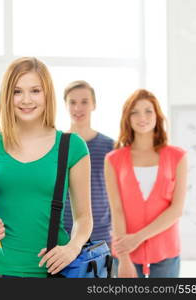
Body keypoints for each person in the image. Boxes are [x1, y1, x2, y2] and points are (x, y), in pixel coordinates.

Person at [0, 57, 93, 278]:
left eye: (35, 91)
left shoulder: (72, 146)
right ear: (7, 96)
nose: (26, 100)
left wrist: (73, 248)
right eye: (17, 91)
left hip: (53, 271)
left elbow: (84, 217)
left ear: (47, 95)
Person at [104, 89, 187, 278]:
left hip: (166, 253)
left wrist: (137, 239)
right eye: (135, 112)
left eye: (148, 111)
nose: (142, 117)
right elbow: (116, 210)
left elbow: (176, 210)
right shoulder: (113, 159)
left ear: (157, 115)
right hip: (126, 254)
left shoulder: (178, 157)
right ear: (128, 117)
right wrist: (124, 258)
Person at [63, 80, 114, 246]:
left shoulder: (110, 146)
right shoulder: (55, 145)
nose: (78, 108)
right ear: (65, 105)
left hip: (102, 236)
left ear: (94, 105)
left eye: (84, 102)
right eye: (73, 102)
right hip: (63, 236)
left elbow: (117, 193)